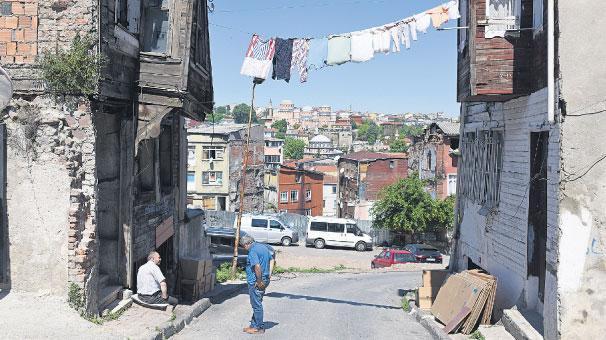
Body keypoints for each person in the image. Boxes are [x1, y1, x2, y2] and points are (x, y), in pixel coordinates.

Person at [240, 235, 273, 334]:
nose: (244, 248)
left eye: (243, 246)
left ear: (247, 244)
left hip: (256, 281)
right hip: (264, 279)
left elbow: (257, 266)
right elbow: (272, 259)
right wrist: (269, 274)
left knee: (256, 304)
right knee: (257, 302)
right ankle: (253, 325)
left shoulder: (253, 251)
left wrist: (259, 281)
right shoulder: (263, 247)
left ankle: (259, 328)